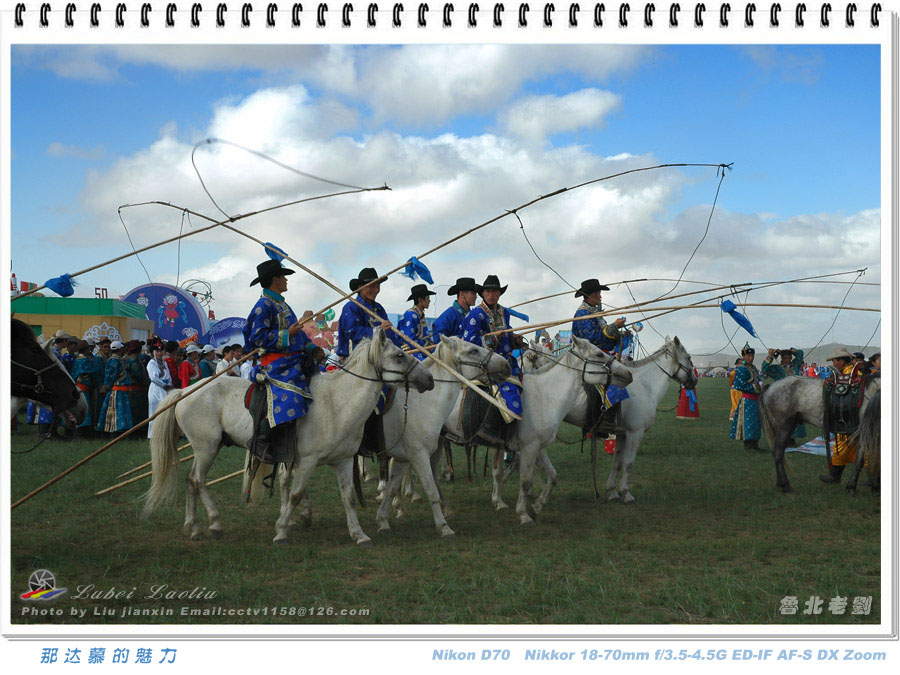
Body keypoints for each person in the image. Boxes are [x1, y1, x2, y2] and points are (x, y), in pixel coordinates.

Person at [242, 258, 322, 462]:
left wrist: (312, 348)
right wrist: (287, 334)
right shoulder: (262, 306)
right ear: (274, 280)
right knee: (291, 399)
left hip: (294, 360)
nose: (287, 280)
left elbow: (299, 334)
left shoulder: (282, 304)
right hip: (275, 364)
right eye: (283, 277)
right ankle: (259, 441)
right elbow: (258, 337)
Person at [462, 274, 525, 444]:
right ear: (483, 293)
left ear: (499, 293)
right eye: (488, 291)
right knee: (508, 391)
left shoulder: (503, 312)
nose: (491, 295)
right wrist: (493, 338)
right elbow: (470, 344)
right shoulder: (476, 314)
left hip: (505, 361)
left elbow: (508, 335)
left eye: (495, 291)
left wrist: (515, 340)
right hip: (484, 363)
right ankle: (490, 429)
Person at [570, 278, 628, 435]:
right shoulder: (583, 314)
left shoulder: (593, 312)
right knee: (615, 382)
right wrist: (614, 326)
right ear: (592, 295)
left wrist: (619, 333)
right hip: (586, 358)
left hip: (595, 356)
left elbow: (604, 338)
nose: (601, 297)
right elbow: (593, 339)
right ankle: (605, 423)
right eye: (599, 293)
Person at [336, 267, 403, 358]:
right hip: (356, 360)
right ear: (360, 287)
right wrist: (378, 330)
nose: (376, 291)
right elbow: (353, 333)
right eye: (372, 286)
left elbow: (389, 335)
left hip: (380, 358)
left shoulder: (379, 308)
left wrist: (399, 349)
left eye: (378, 287)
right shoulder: (351, 307)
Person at [820, 348, 860, 484]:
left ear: (841, 361)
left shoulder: (848, 375)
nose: (833, 363)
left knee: (842, 442)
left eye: (834, 361)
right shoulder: (849, 372)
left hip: (848, 418)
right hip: (853, 417)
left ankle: (835, 475)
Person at [760, 348, 806, 442]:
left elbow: (800, 354)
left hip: (794, 399)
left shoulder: (795, 366)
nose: (787, 360)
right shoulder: (777, 369)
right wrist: (771, 356)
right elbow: (764, 369)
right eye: (785, 358)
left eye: (789, 358)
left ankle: (792, 440)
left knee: (794, 420)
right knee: (782, 420)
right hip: (781, 399)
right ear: (781, 359)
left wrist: (792, 350)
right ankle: (782, 440)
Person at [729, 343, 763, 452]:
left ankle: (755, 444)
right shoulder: (741, 369)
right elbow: (739, 385)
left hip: (757, 400)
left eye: (752, 356)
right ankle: (748, 445)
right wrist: (754, 387)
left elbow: (758, 381)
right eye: (748, 356)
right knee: (748, 423)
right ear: (743, 356)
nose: (751, 358)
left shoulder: (754, 368)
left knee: (756, 423)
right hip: (747, 401)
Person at [96, 340, 135, 435]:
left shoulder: (117, 360)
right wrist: (107, 386)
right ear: (119, 349)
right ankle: (116, 430)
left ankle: (118, 430)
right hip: (117, 390)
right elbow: (110, 376)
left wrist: (107, 385)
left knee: (117, 411)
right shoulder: (115, 360)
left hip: (119, 389)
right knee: (117, 411)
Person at [70, 340, 101, 439]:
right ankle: (81, 432)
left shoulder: (77, 359)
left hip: (79, 387)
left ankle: (79, 431)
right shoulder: (85, 360)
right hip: (84, 388)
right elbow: (94, 371)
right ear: (86, 349)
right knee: (85, 410)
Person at [399, 284, 436, 360]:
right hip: (411, 351)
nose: (429, 300)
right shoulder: (411, 314)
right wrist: (426, 345)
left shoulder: (420, 315)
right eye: (427, 298)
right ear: (420, 299)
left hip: (420, 349)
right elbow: (409, 339)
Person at [146, 339, 172, 438]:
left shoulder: (164, 363)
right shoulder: (152, 363)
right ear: (153, 352)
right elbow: (154, 377)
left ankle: (164, 433)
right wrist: (163, 384)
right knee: (154, 410)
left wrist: (169, 384)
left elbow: (168, 375)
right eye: (157, 351)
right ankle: (152, 435)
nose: (159, 353)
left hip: (165, 388)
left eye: (161, 351)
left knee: (165, 410)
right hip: (156, 388)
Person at [124, 340, 150, 427]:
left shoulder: (131, 359)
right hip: (136, 389)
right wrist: (147, 382)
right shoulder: (134, 360)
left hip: (134, 388)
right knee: (137, 411)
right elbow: (138, 375)